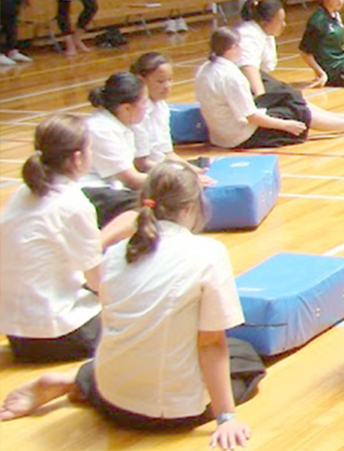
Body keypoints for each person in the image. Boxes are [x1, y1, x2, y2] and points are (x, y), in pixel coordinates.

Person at [0, 163, 262, 449]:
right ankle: (76, 381)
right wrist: (226, 417)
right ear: (190, 208)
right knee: (244, 357)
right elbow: (211, 343)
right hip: (165, 413)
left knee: (136, 341)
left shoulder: (116, 252)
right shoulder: (208, 253)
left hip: (109, 395)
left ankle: (77, 380)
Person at [0, 115, 104, 362]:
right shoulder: (73, 204)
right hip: (62, 335)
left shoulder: (23, 193)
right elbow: (99, 282)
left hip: (17, 336)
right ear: (78, 158)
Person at [197, 27, 344, 149]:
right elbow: (251, 117)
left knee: (288, 96)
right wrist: (285, 125)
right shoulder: (231, 77)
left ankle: (343, 118)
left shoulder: (204, 69)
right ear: (233, 47)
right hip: (239, 136)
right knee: (297, 113)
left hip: (220, 133)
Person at [79, 71, 149, 228]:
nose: (146, 107)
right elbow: (132, 179)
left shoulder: (122, 125)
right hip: (92, 193)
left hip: (111, 189)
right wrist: (177, 181)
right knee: (152, 204)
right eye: (144, 102)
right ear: (126, 108)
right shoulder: (100, 129)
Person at [129, 51, 208, 184]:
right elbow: (141, 163)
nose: (167, 86)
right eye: (160, 81)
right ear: (142, 81)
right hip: (149, 174)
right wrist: (183, 175)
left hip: (163, 166)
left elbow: (167, 153)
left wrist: (193, 170)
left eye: (170, 80)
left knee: (205, 165)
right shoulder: (138, 113)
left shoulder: (162, 107)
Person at [236, 0, 294, 96]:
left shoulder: (267, 33)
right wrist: (261, 96)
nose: (284, 24)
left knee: (291, 94)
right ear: (265, 23)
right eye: (280, 21)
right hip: (238, 86)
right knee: (289, 96)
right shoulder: (248, 34)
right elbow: (248, 67)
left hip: (252, 81)